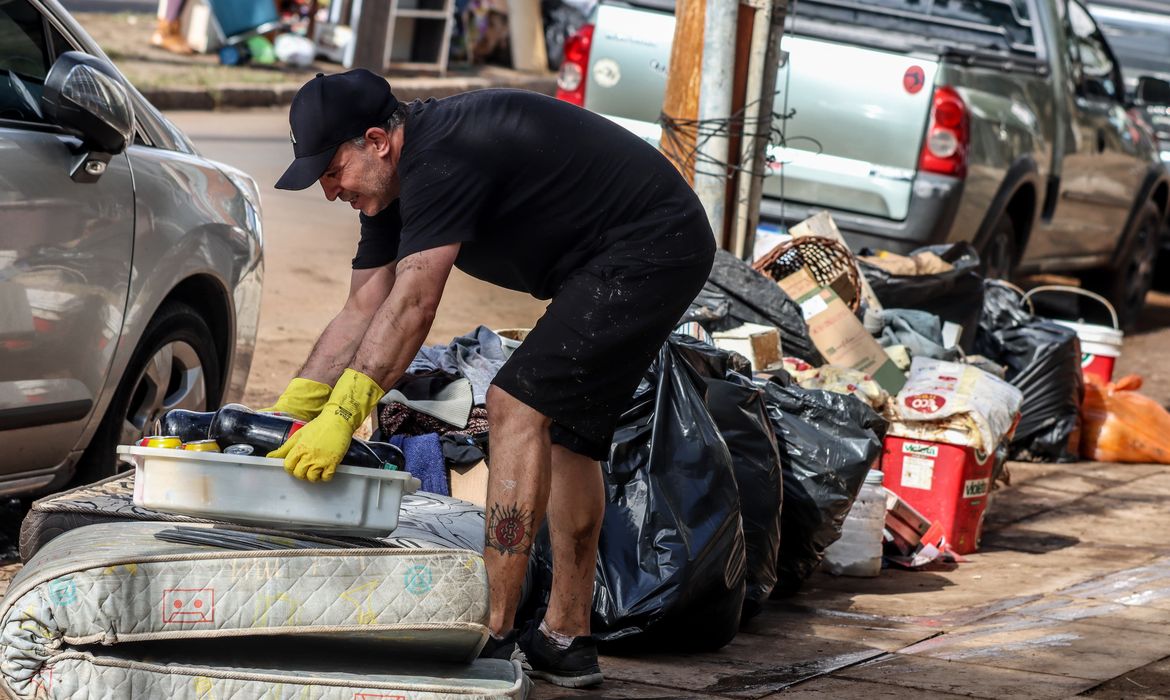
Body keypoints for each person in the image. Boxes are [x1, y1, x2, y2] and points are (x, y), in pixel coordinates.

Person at [265, 69, 714, 688]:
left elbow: (414, 306)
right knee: (570, 437)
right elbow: (362, 308)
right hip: (615, 257)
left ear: (376, 141)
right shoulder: (388, 189)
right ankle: (566, 636)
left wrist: (343, 418)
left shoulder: (445, 155)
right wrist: (291, 412)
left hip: (652, 245)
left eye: (331, 170)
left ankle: (495, 631)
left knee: (515, 404)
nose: (328, 189)